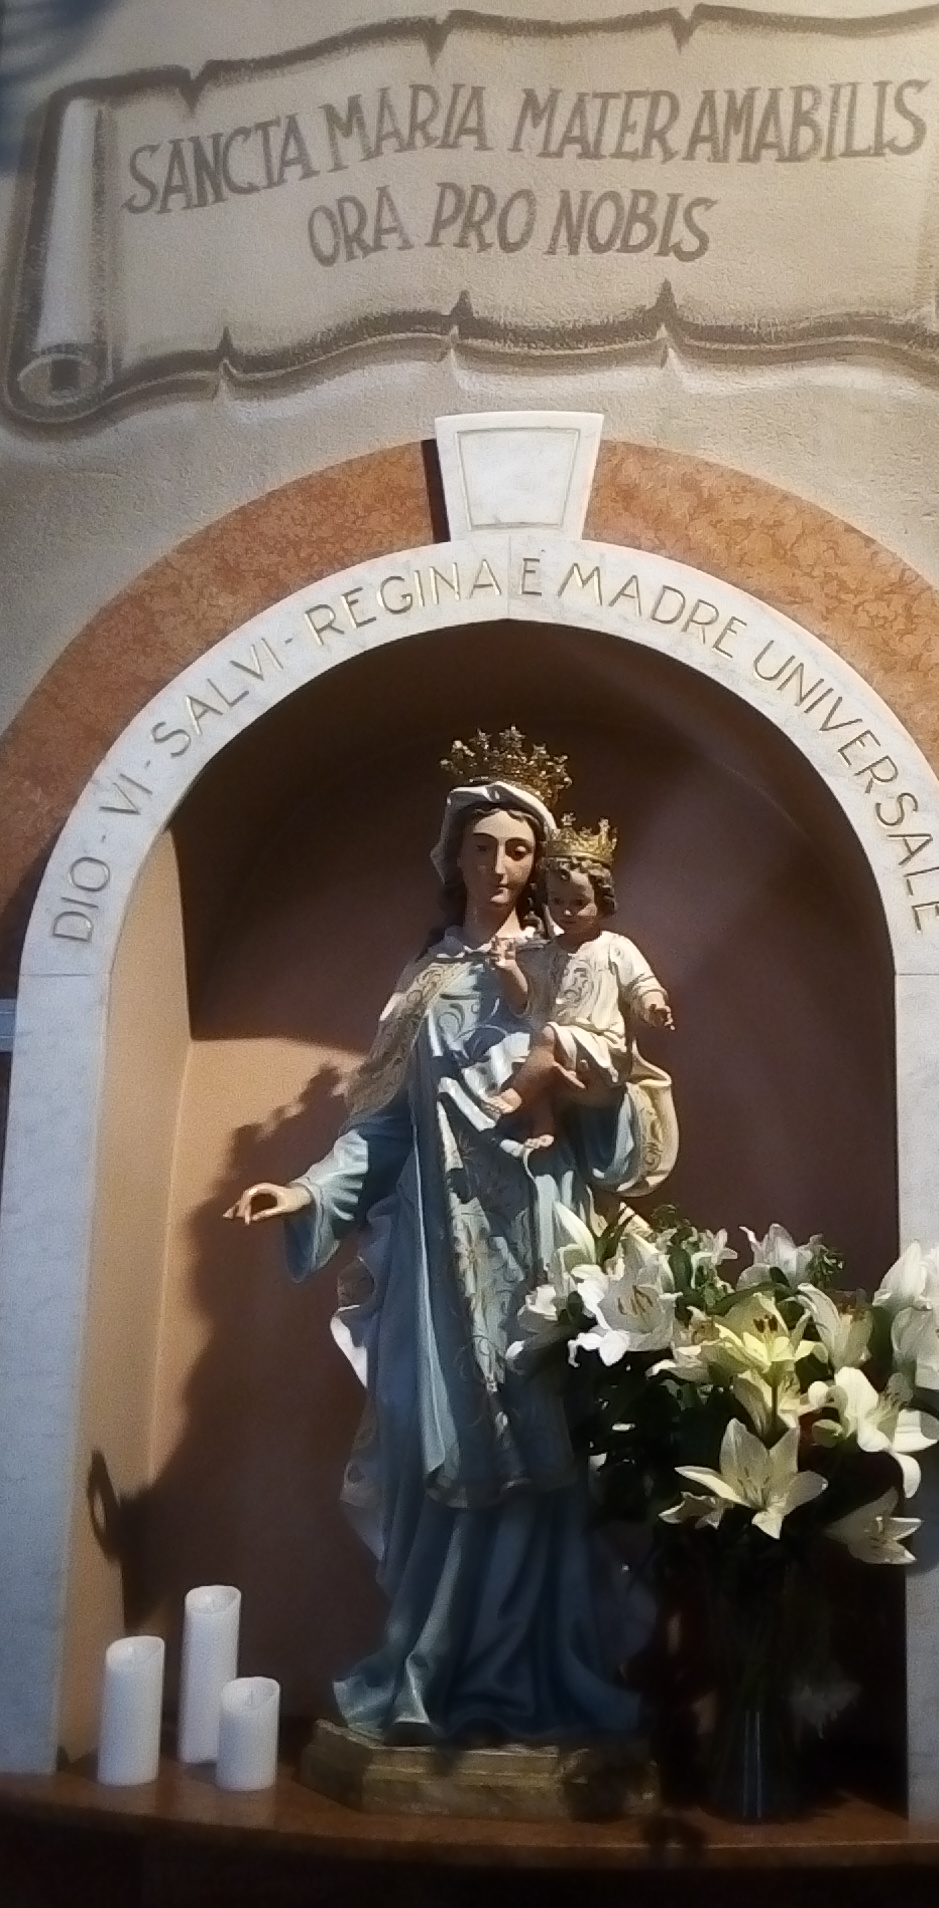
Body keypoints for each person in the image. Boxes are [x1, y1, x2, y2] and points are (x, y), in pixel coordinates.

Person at [224, 731, 677, 1743]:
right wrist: (306, 1192)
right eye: (483, 847)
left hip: (540, 1237)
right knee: (439, 1445)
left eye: (519, 848)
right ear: (453, 857)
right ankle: (431, 1670)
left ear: (541, 860)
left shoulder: (571, 966)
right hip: (439, 1252)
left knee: (545, 1441)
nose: (501, 866)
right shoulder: (427, 979)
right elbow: (382, 1126)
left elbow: (612, 1115)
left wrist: (587, 1075)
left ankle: (546, 1678)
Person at [485, 816, 675, 1152]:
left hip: (602, 1052)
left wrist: (653, 1006)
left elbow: (641, 984)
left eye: (578, 902)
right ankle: (544, 1123)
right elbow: (526, 1004)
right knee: (524, 1055)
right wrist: (509, 969)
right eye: (557, 902)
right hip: (563, 1055)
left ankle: (516, 1094)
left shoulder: (615, 948)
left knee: (547, 1037)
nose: (566, 912)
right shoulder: (545, 954)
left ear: (601, 902)